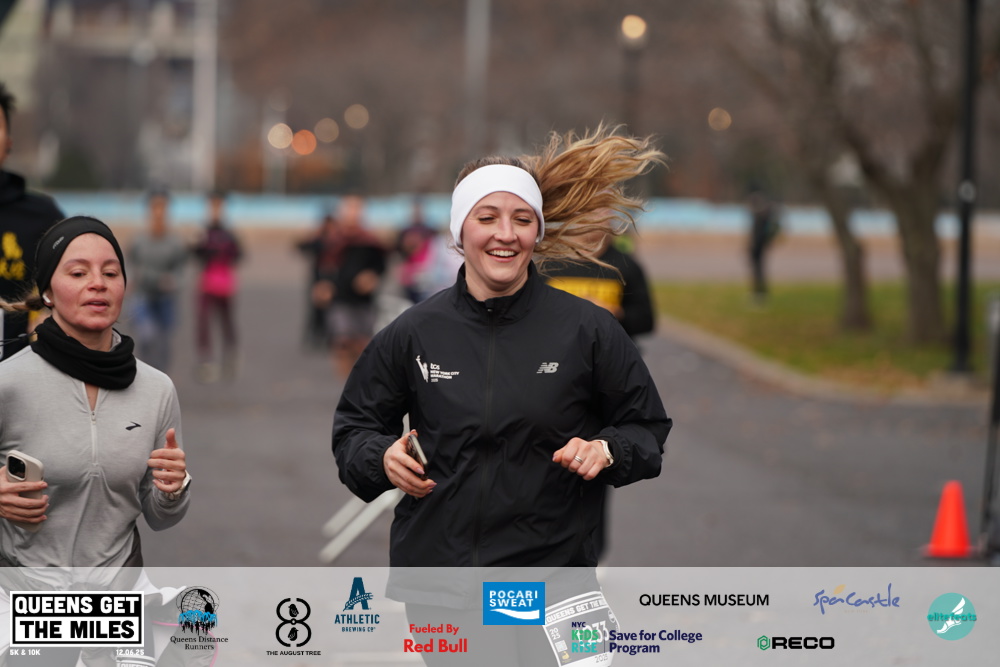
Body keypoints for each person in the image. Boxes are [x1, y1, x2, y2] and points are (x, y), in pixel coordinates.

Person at [332, 127, 671, 666]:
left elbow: (646, 427)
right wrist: (381, 458)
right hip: (445, 587)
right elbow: (354, 427)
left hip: (552, 578)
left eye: (522, 219)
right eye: (486, 217)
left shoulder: (587, 331)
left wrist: (607, 450)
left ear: (537, 232)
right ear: (458, 231)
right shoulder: (414, 333)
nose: (505, 235)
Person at [0, 216, 190, 573]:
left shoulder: (157, 389)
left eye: (111, 273)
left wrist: (173, 489)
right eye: (78, 273)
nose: (98, 284)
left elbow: (161, 517)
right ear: (47, 292)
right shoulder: (7, 382)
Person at [0, 81, 64, 361]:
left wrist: (49, 315)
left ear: (9, 142)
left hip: (22, 368)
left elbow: (69, 286)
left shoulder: (44, 217)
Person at [128, 187, 188, 373]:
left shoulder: (175, 242)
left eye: (162, 207)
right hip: (144, 296)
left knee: (163, 342)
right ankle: (145, 376)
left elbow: (181, 272)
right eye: (155, 207)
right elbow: (129, 265)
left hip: (165, 299)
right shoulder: (139, 241)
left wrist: (173, 282)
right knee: (147, 337)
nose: (159, 212)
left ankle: (162, 379)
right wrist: (131, 280)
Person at [327, 194, 386, 378]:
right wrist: (323, 285)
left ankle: (359, 380)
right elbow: (323, 266)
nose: (353, 213)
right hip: (340, 298)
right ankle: (345, 382)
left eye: (357, 208)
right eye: (349, 208)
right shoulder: (333, 240)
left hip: (363, 301)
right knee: (342, 341)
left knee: (362, 344)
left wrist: (372, 277)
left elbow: (381, 265)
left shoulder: (370, 241)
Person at [192, 190, 242, 382]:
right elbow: (195, 254)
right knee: (204, 322)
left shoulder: (229, 234)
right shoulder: (203, 232)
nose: (215, 210)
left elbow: (238, 255)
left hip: (224, 284)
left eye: (218, 205)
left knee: (227, 321)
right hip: (207, 284)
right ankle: (206, 360)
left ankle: (230, 355)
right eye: (212, 206)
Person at [747, 187, 780, 303]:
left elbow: (759, 234)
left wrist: (759, 244)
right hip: (758, 246)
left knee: (759, 270)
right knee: (758, 270)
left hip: (758, 246)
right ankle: (758, 292)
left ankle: (760, 293)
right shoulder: (762, 214)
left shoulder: (762, 215)